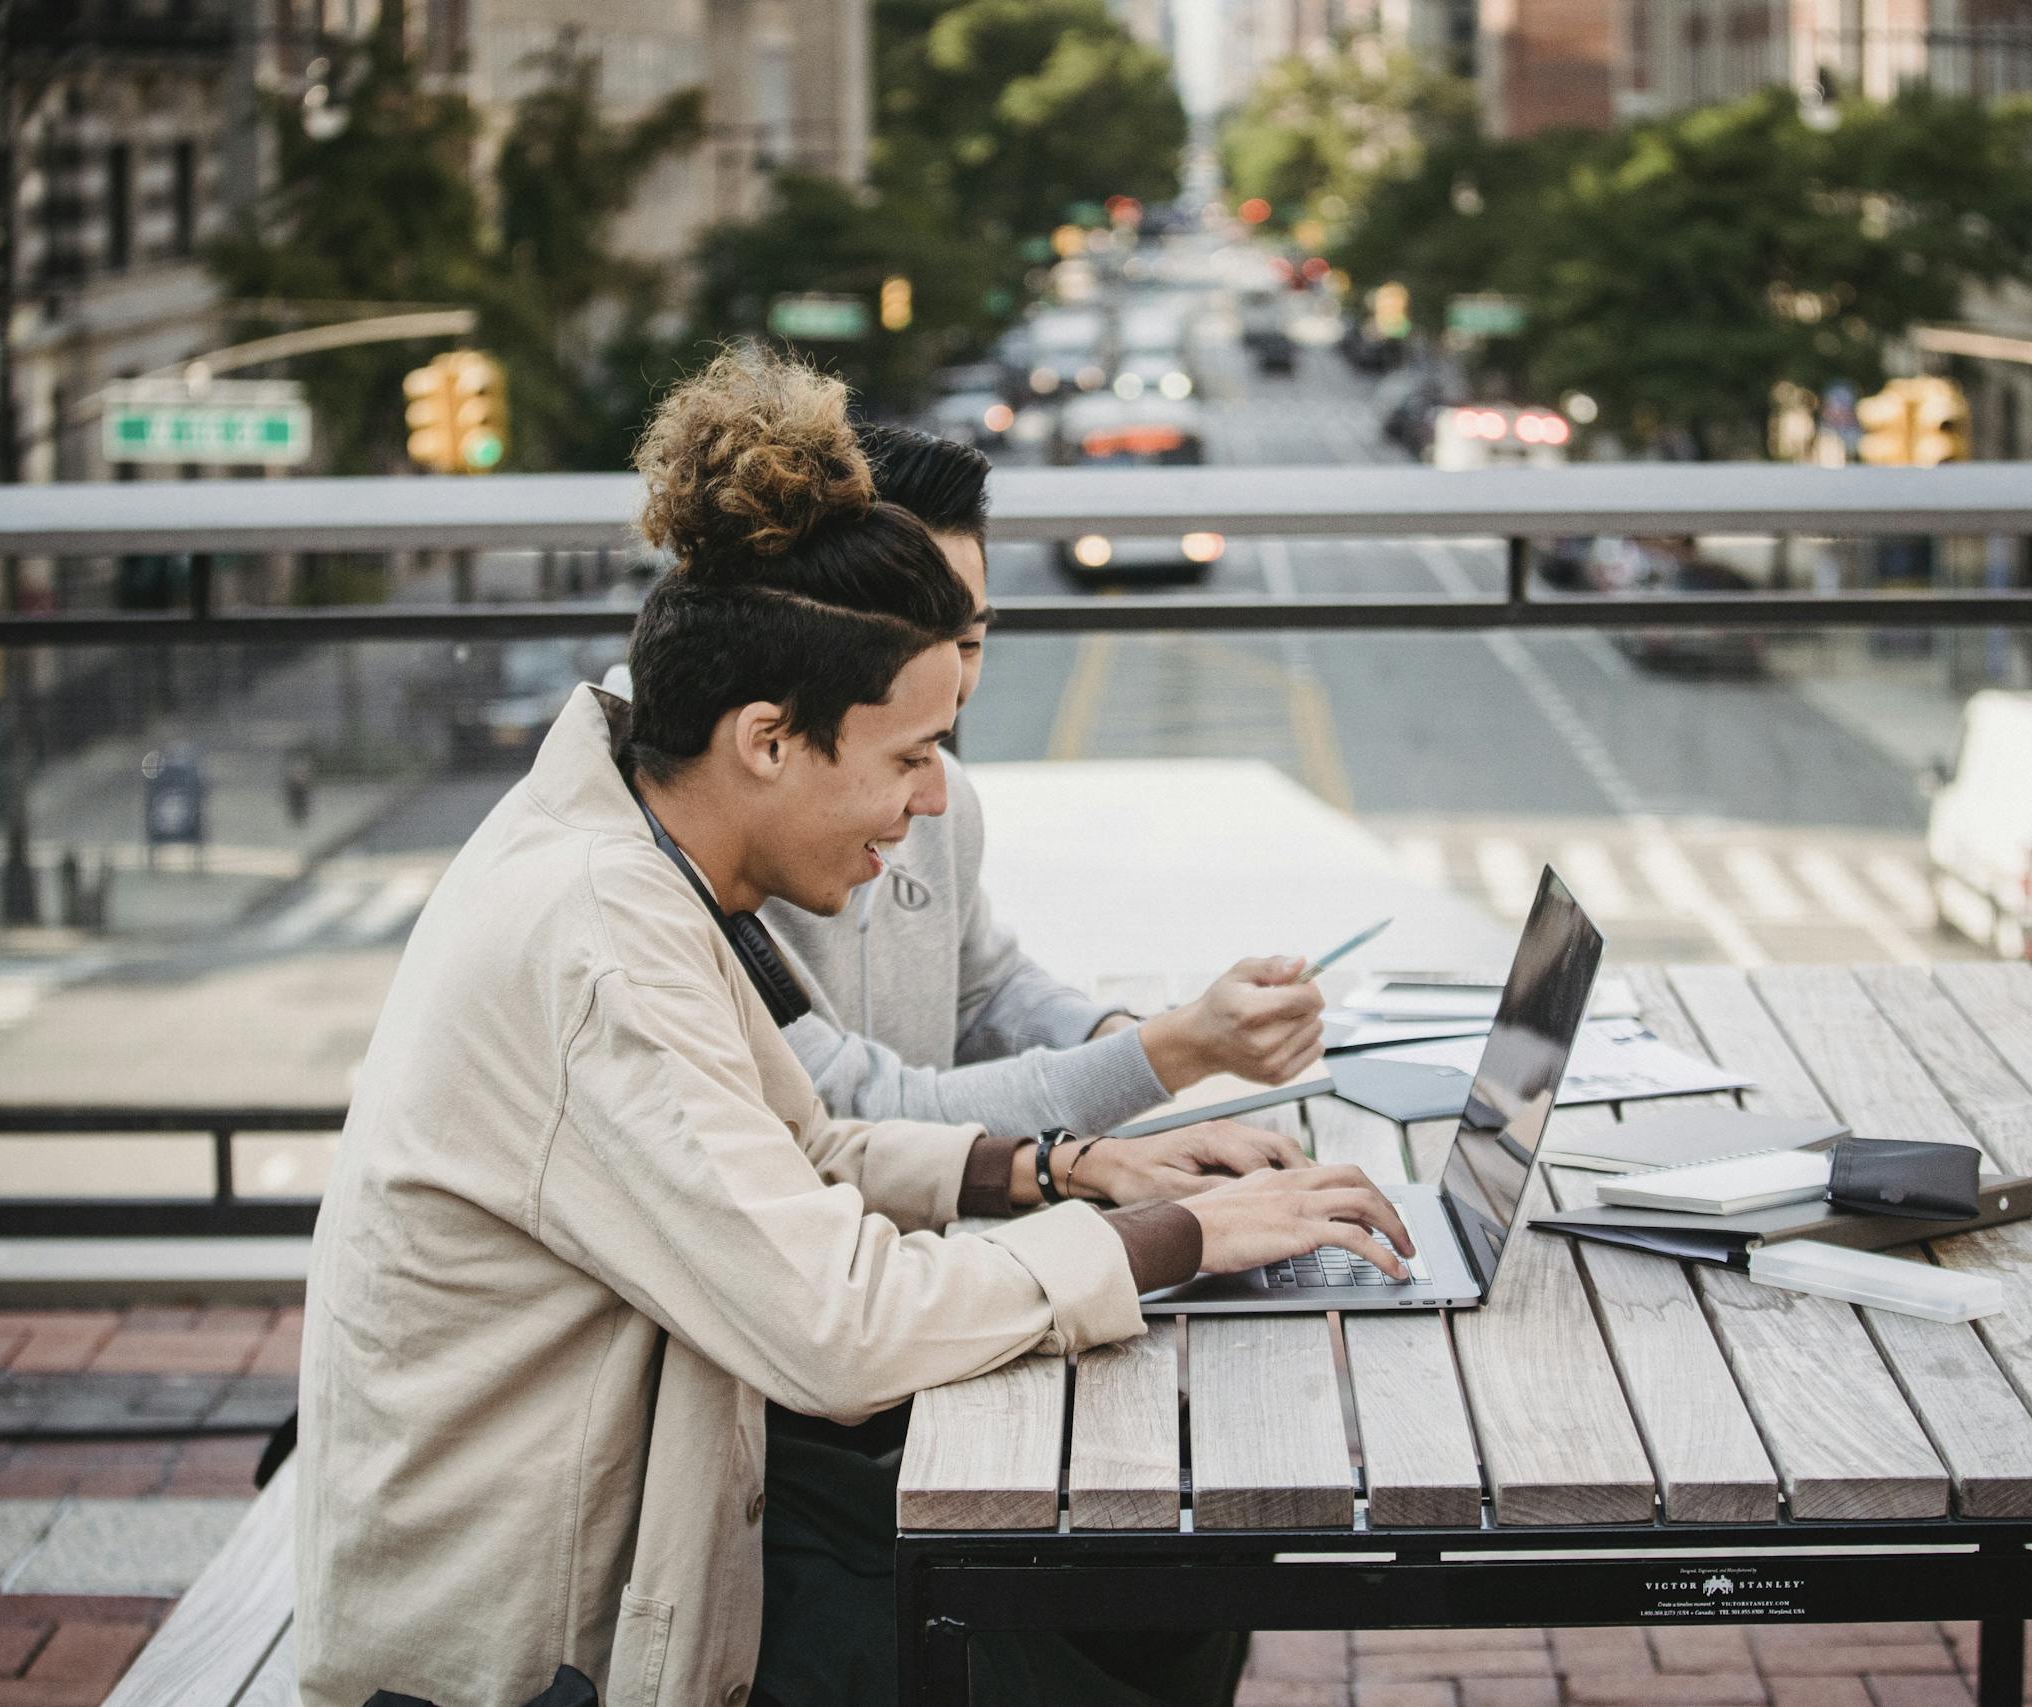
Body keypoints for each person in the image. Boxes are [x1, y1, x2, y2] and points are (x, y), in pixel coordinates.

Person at [291, 345, 1414, 1707]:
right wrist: (1172, 1241)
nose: (935, 802)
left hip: (679, 1495)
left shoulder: (631, 845)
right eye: (907, 756)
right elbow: (835, 1328)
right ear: (768, 739)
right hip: (537, 1653)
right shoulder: (598, 940)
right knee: (1105, 1626)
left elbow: (806, 1138)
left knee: (1156, 1604)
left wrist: (1067, 1169)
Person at [756, 424, 1329, 1138]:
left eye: (968, 642)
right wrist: (1177, 1049)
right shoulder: (714, 829)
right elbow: (844, 1114)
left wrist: (1114, 1039)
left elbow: (986, 993)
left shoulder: (944, 800)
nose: (951, 679)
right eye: (914, 640)